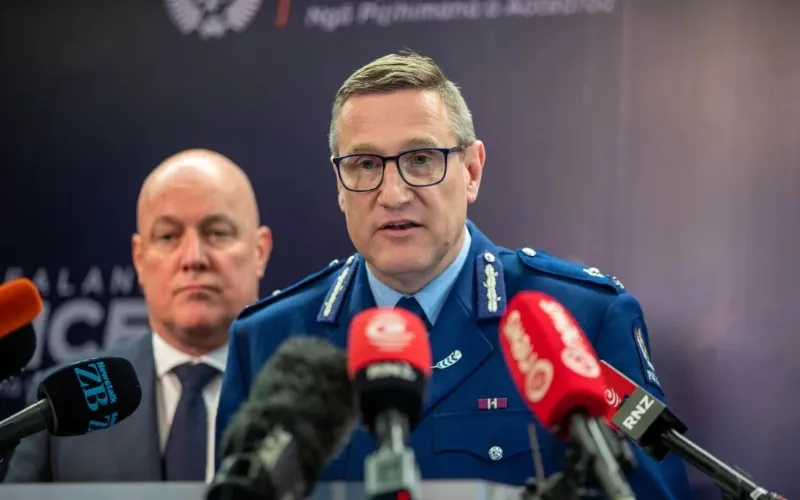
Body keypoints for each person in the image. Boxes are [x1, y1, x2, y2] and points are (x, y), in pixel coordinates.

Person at [215, 51, 692, 498]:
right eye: (364, 165)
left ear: (472, 170)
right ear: (340, 185)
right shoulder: (269, 341)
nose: (394, 194)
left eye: (421, 159)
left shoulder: (581, 320)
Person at [4, 148, 272, 483]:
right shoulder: (59, 407)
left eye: (217, 232)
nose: (193, 258)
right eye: (168, 236)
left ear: (260, 251)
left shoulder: (314, 397)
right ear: (139, 257)